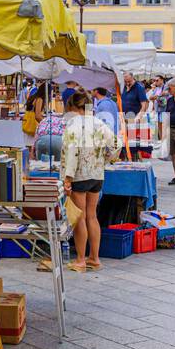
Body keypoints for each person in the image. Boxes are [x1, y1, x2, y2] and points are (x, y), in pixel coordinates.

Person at [60, 91, 121, 271]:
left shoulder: (73, 125)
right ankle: (94, 258)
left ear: (73, 107)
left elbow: (72, 154)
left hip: (79, 175)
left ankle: (80, 260)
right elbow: (116, 145)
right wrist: (105, 159)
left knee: (80, 218)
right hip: (97, 175)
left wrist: (67, 179)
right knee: (92, 216)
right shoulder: (99, 123)